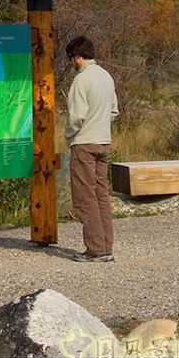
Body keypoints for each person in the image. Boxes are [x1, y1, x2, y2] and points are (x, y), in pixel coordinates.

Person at [64, 35, 119, 262]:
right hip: (103, 142)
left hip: (84, 144)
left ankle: (95, 249)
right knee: (101, 195)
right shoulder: (106, 76)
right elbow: (114, 111)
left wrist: (68, 136)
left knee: (85, 197)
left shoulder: (81, 80)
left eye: (71, 59)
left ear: (77, 57)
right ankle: (106, 245)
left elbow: (77, 116)